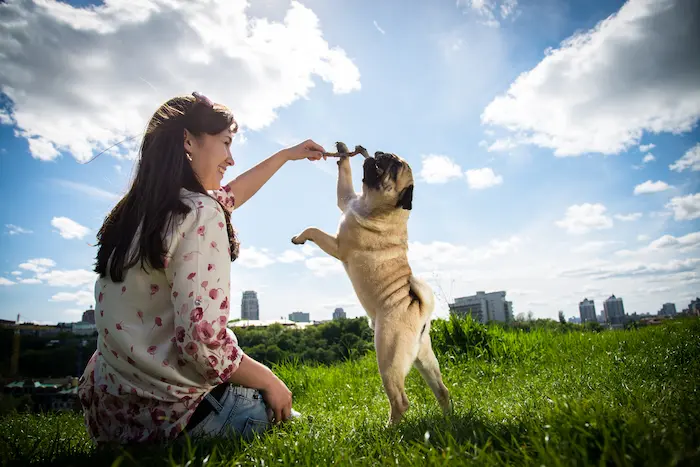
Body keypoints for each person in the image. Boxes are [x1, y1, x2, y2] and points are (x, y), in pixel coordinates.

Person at [77, 92, 326, 445]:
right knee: (298, 426)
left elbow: (230, 195)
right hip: (179, 417)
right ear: (188, 141)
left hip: (115, 420)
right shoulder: (198, 213)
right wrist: (269, 380)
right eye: (226, 143)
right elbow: (202, 345)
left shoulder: (135, 214)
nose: (231, 158)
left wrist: (286, 155)